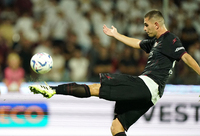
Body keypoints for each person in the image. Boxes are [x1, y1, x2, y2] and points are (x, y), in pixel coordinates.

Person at [29, 10, 200, 136]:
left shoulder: (170, 39)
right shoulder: (157, 42)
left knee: (96, 88)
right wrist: (116, 35)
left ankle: (52, 90)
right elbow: (137, 43)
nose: (144, 28)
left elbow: (186, 58)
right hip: (152, 93)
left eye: (146, 24)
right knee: (116, 128)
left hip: (147, 85)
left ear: (156, 24)